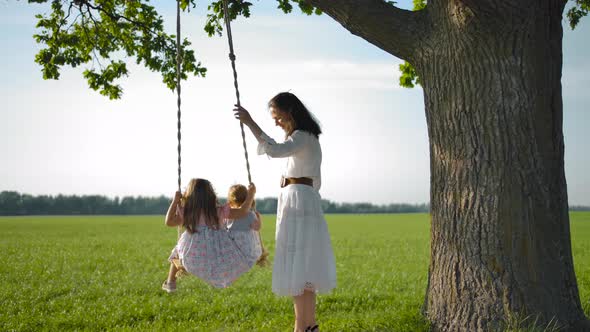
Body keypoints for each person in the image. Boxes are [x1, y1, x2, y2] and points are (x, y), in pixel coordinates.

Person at [234, 92, 337, 332]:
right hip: (301, 199)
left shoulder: (302, 137)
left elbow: (276, 150)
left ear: (290, 111)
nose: (276, 122)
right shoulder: (305, 138)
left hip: (298, 201)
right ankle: (308, 326)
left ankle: (301, 327)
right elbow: (279, 147)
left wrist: (249, 122)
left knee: (298, 268)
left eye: (278, 116)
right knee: (303, 270)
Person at [162, 178, 257, 292]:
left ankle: (170, 282)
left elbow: (169, 221)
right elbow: (242, 211)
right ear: (211, 195)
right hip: (217, 255)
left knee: (177, 252)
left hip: (193, 256)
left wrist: (175, 201)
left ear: (190, 195)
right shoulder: (218, 211)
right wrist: (251, 195)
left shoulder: (188, 213)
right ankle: (172, 280)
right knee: (179, 251)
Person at [225, 184, 269, 268]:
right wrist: (259, 218)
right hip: (246, 249)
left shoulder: (229, 215)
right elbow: (257, 227)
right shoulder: (250, 215)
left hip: (233, 249)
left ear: (230, 201)